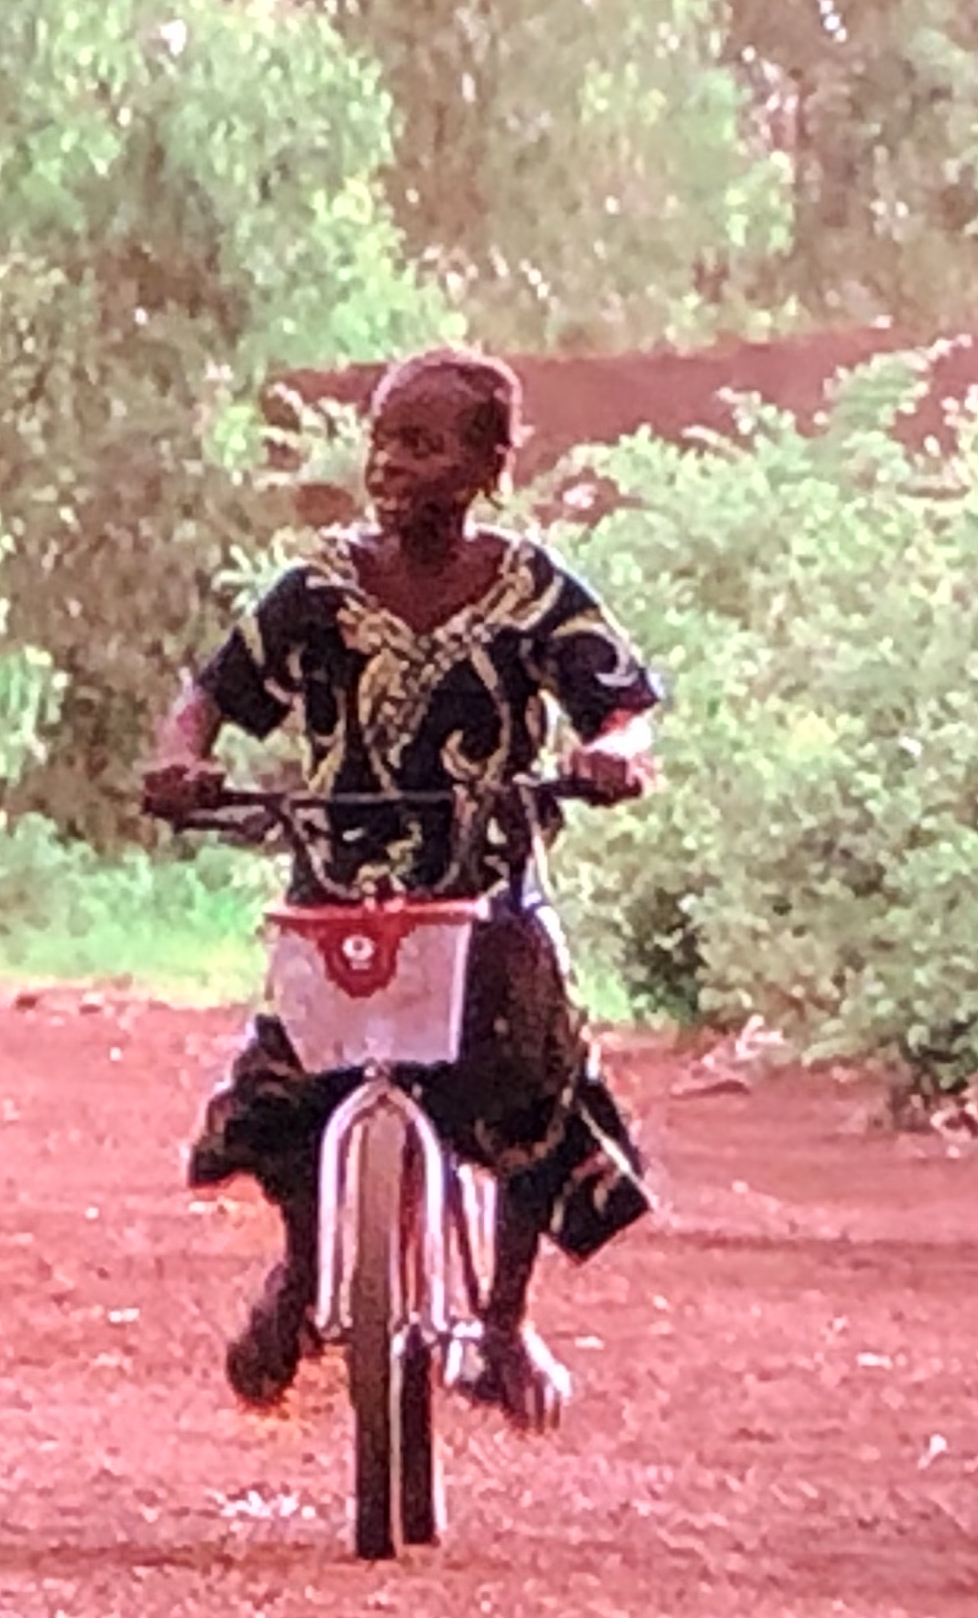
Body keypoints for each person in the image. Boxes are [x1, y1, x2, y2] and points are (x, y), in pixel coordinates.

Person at [140, 347, 662, 1435]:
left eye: (422, 445)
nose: (390, 465)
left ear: (488, 465)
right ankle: (302, 1273)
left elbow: (623, 705)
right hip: (339, 885)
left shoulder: (532, 591)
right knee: (285, 1089)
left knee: (537, 1080)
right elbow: (209, 693)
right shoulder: (317, 591)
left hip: (484, 890)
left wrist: (616, 755)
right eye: (382, 441)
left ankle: (504, 1318)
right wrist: (182, 760)